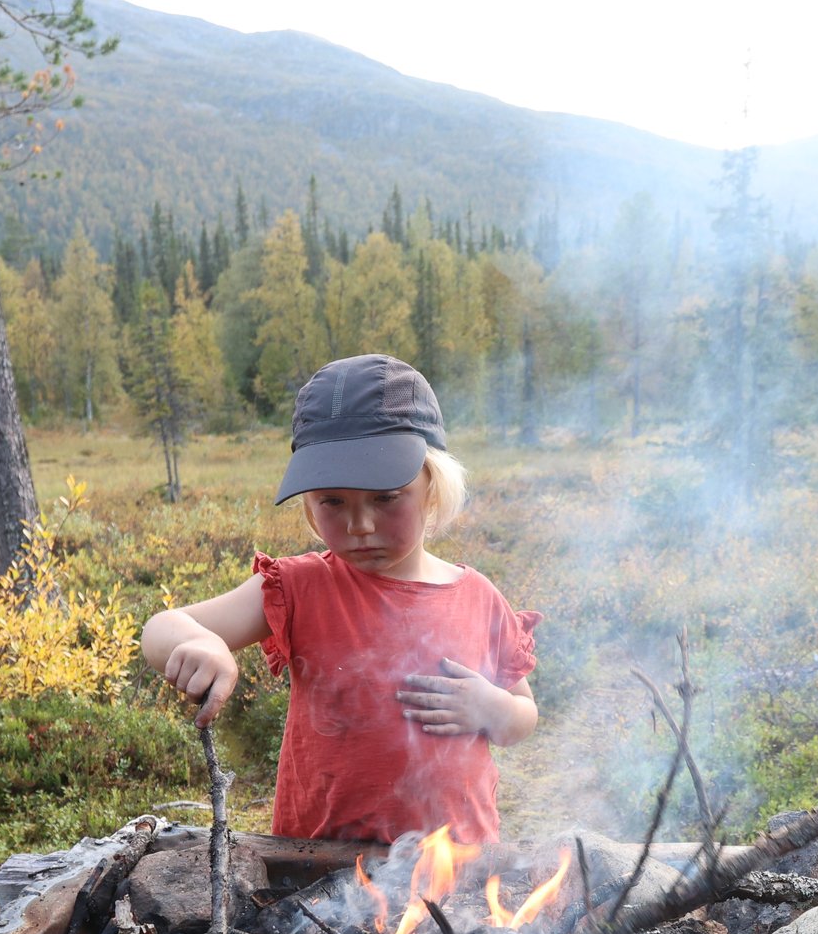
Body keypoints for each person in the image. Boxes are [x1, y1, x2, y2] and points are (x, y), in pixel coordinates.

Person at [141, 353, 539, 844]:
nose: (360, 525)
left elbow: (523, 714)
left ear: (432, 486)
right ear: (309, 506)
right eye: (333, 502)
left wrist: (492, 709)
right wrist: (204, 645)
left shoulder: (478, 598)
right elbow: (162, 626)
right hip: (316, 867)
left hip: (456, 863)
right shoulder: (302, 586)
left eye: (386, 497)